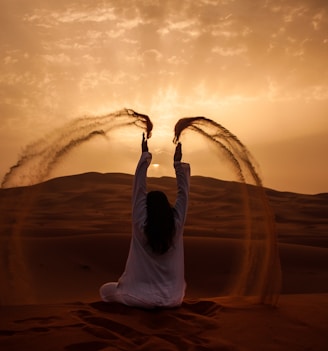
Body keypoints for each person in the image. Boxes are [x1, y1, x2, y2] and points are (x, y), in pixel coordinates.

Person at [99, 134, 190, 308]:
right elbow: (183, 194)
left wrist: (145, 156)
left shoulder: (141, 224)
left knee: (105, 290)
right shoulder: (176, 226)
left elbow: (138, 189)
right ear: (167, 207)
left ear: (147, 208)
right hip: (173, 299)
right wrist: (178, 164)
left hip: (138, 298)